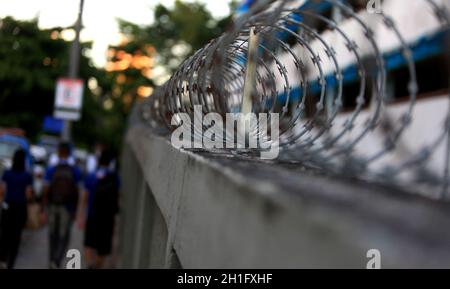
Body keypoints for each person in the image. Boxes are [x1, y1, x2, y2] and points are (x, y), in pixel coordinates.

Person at [44, 142, 82, 269]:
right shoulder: (75, 170)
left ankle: (51, 258)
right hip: (68, 206)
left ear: (59, 152)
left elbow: (46, 188)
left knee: (52, 233)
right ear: (69, 153)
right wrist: (77, 209)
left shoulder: (52, 169)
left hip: (53, 205)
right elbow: (78, 191)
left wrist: (45, 205)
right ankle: (57, 260)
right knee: (63, 234)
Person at [79, 150, 119, 269]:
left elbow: (85, 198)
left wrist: (81, 215)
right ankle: (97, 266)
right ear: (110, 162)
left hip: (92, 215)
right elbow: (117, 197)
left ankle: (90, 265)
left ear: (98, 161)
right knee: (103, 248)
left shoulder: (91, 176)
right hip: (107, 218)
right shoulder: (114, 178)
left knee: (89, 244)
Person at [0, 149, 33, 269]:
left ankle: (2, 258)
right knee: (16, 236)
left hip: (8, 206)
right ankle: (11, 263)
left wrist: (2, 203)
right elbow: (28, 194)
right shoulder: (27, 176)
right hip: (20, 208)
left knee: (4, 234)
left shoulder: (7, 173)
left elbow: (2, 190)